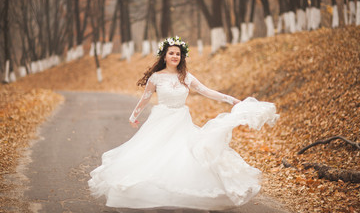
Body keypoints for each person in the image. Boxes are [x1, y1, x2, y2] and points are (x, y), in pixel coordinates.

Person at [88, 36, 279, 211]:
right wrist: (133, 115)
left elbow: (207, 91)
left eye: (178, 54)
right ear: (164, 56)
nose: (174, 56)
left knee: (183, 156)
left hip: (181, 120)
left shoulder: (186, 77)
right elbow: (145, 98)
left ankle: (181, 193)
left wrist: (231, 100)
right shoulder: (156, 77)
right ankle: (153, 192)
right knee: (154, 155)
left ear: (182, 57)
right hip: (161, 120)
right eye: (171, 53)